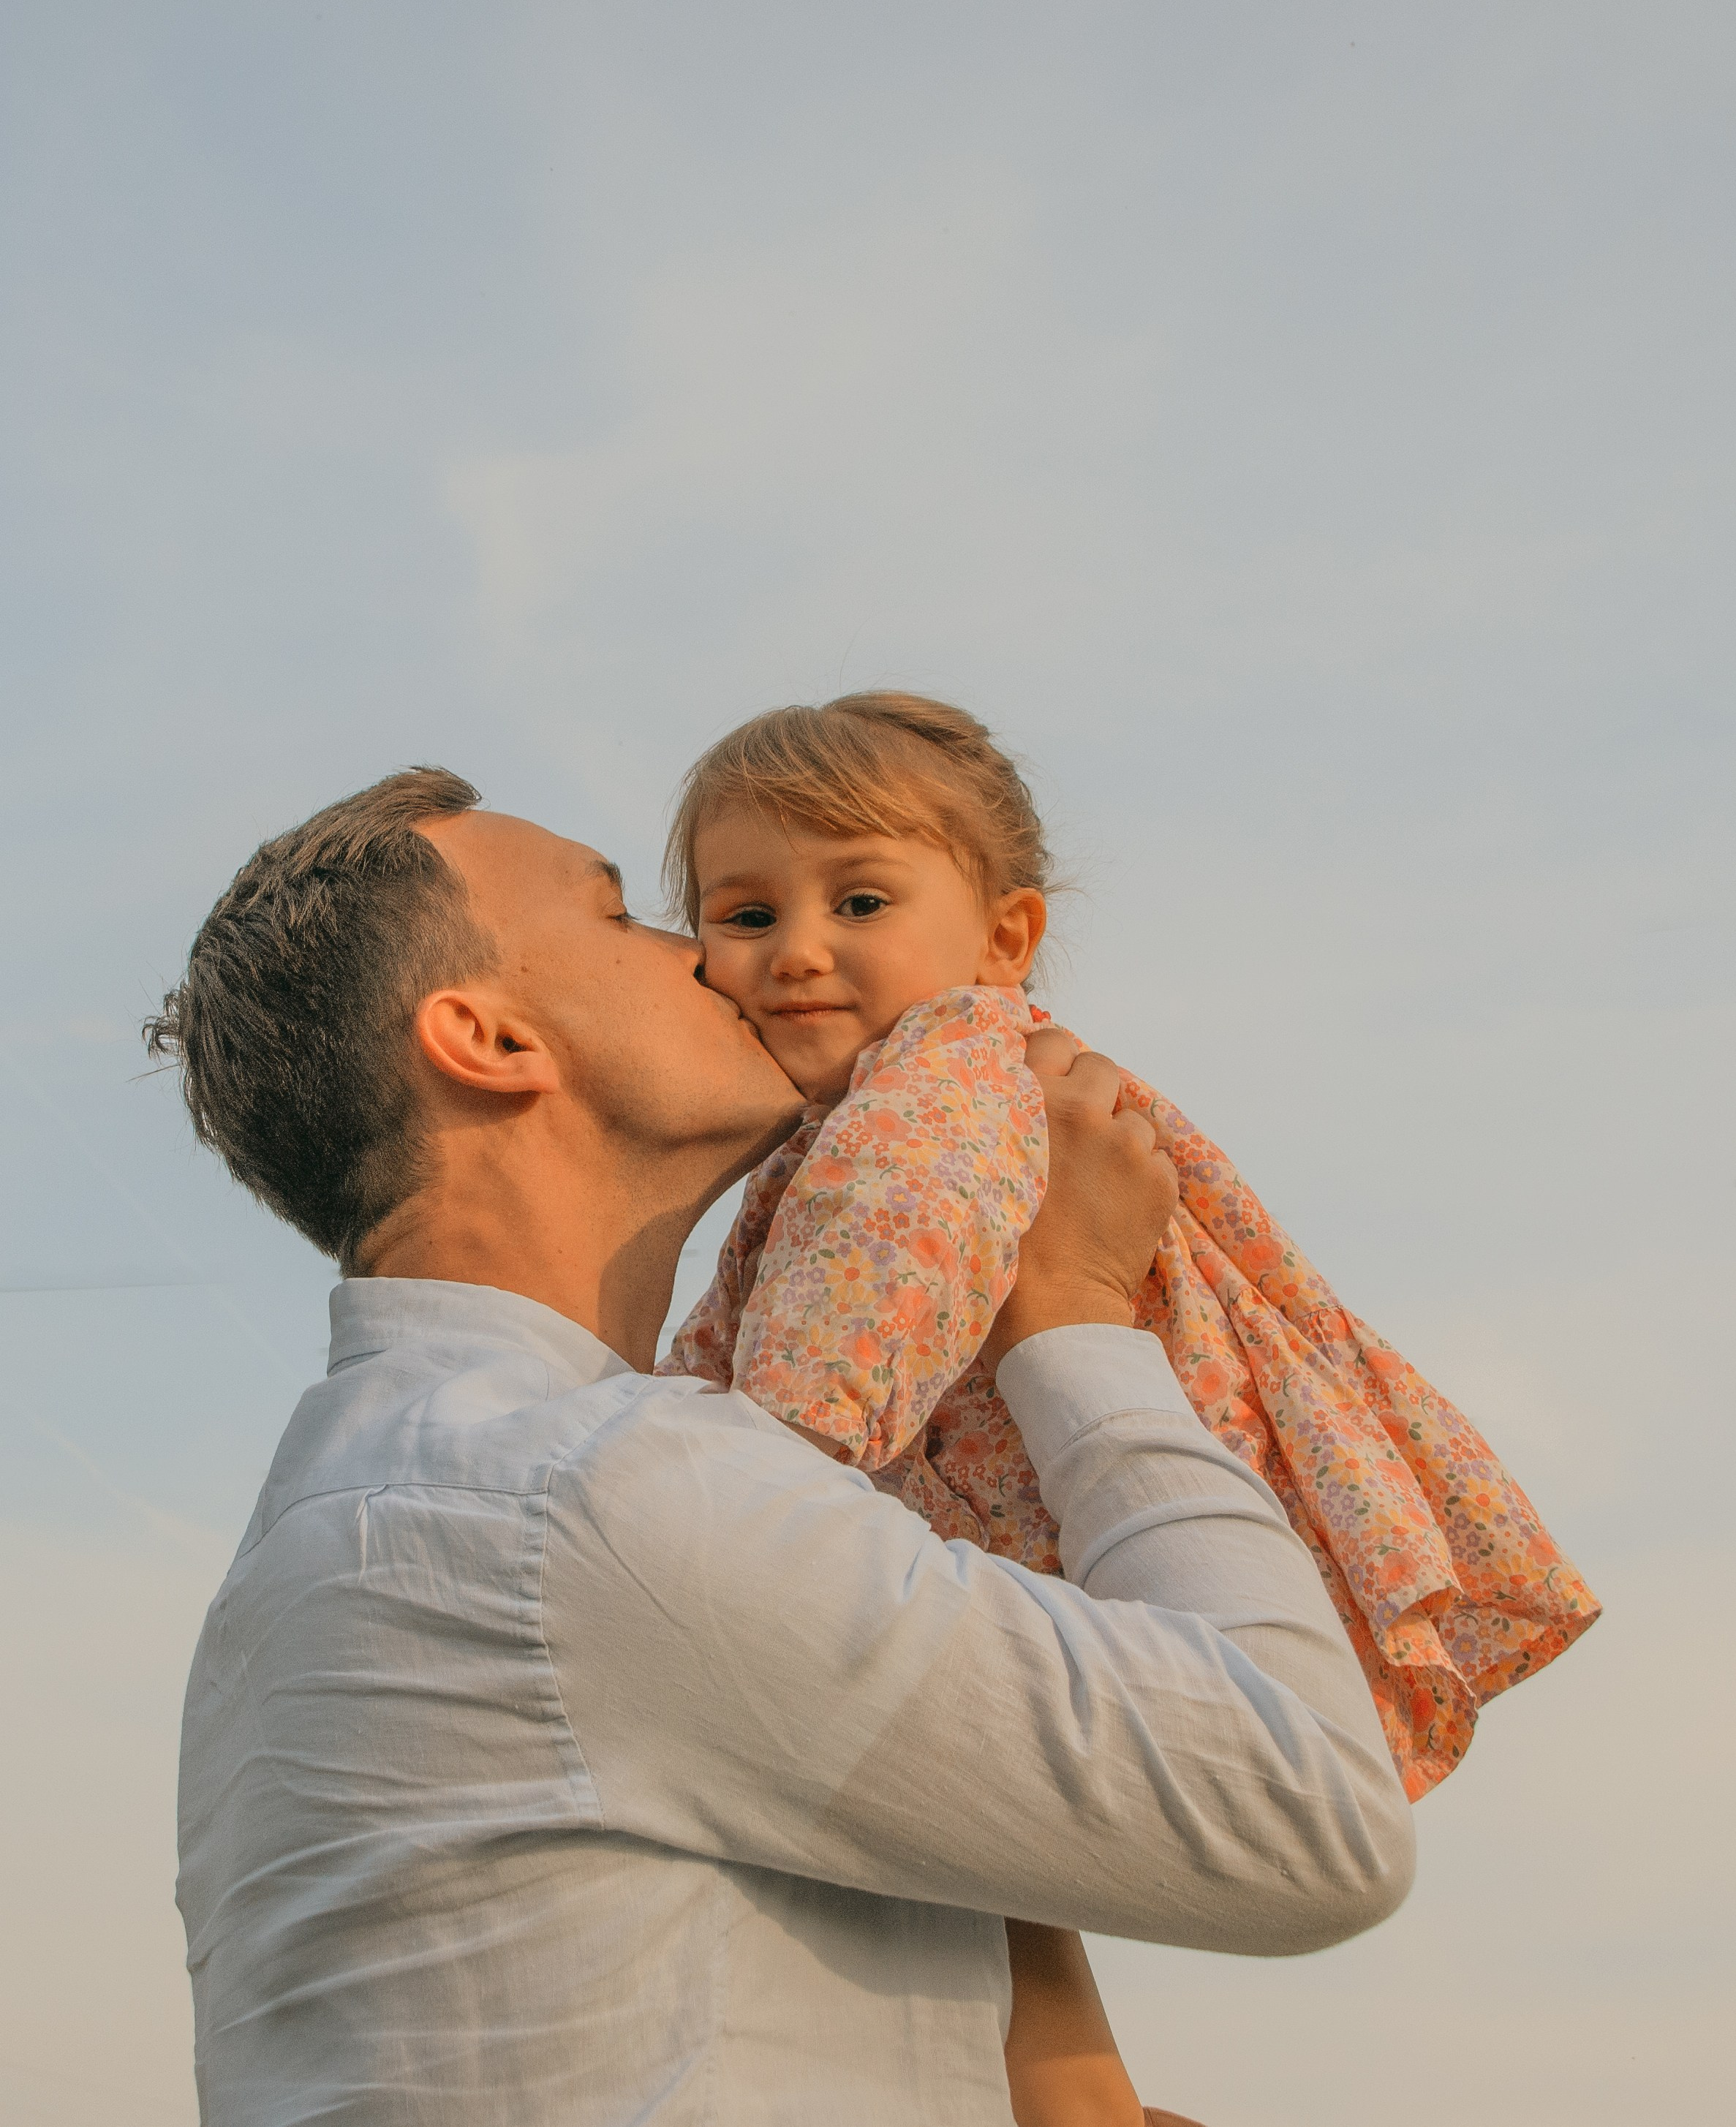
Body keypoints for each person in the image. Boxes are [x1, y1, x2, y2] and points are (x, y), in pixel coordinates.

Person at [149, 764, 1414, 2127]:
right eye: (621, 915)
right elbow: (1312, 1808)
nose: (710, 956)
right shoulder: (584, 1496)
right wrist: (1077, 1318)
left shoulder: (380, 1512)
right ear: (491, 1039)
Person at [660, 692, 1597, 2121]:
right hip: (1003, 1495)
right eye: (740, 912)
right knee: (980, 1857)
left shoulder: (942, 1081)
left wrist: (753, 1464)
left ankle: (1075, 2098)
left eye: (857, 897)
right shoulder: (869, 1101)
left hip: (1025, 1484)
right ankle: (1077, 2096)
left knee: (959, 1824)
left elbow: (879, 1260)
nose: (794, 948)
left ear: (1002, 939)